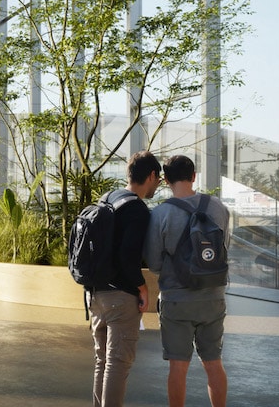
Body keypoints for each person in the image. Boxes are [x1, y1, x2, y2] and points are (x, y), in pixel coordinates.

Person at [144, 154, 229, 407]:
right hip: (214, 297)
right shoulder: (218, 207)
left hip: (177, 299)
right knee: (214, 363)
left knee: (178, 368)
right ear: (194, 176)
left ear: (166, 179)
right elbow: (223, 249)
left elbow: (154, 263)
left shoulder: (160, 214)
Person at [86, 149, 162, 407]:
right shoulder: (137, 209)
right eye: (159, 178)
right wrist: (142, 288)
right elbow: (129, 258)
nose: (159, 184)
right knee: (118, 363)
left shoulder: (107, 199)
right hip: (120, 296)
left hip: (95, 293)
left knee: (102, 360)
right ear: (151, 175)